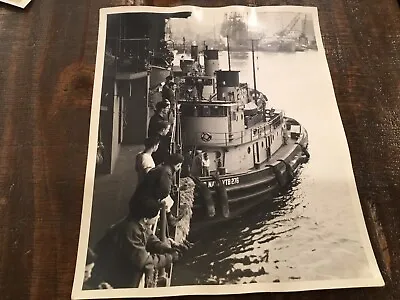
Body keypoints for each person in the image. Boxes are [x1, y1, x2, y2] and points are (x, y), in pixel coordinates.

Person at [91, 200, 182, 289]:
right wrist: (170, 258)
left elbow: (149, 237)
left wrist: (165, 248)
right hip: (107, 274)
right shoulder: (130, 231)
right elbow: (145, 262)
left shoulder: (136, 221)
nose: (157, 218)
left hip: (118, 264)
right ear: (146, 219)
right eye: (155, 216)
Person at [130, 153, 187, 227]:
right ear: (178, 164)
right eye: (180, 166)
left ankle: (170, 219)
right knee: (166, 201)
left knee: (168, 201)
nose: (179, 168)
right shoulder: (166, 172)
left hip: (140, 196)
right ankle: (166, 224)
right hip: (145, 200)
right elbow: (164, 191)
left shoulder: (163, 166)